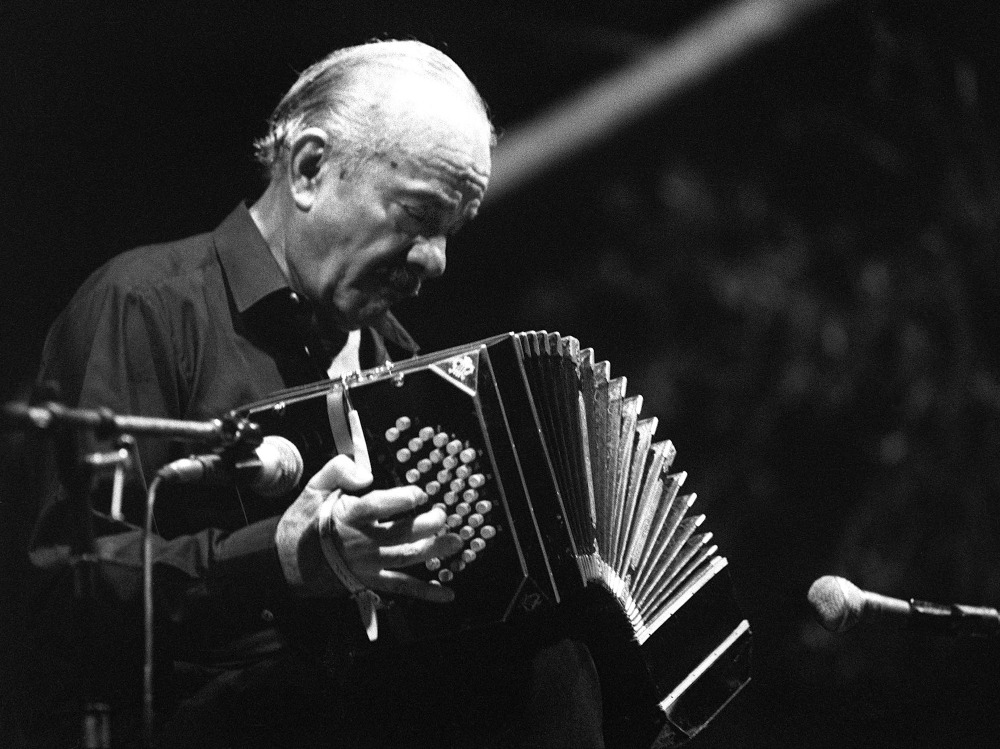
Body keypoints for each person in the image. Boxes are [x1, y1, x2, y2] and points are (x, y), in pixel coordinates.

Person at [25, 40, 605, 748]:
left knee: (560, 660)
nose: (436, 260)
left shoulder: (403, 360)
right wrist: (280, 558)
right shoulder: (147, 306)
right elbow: (60, 591)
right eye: (417, 216)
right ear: (308, 168)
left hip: (357, 706)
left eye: (451, 232)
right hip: (207, 712)